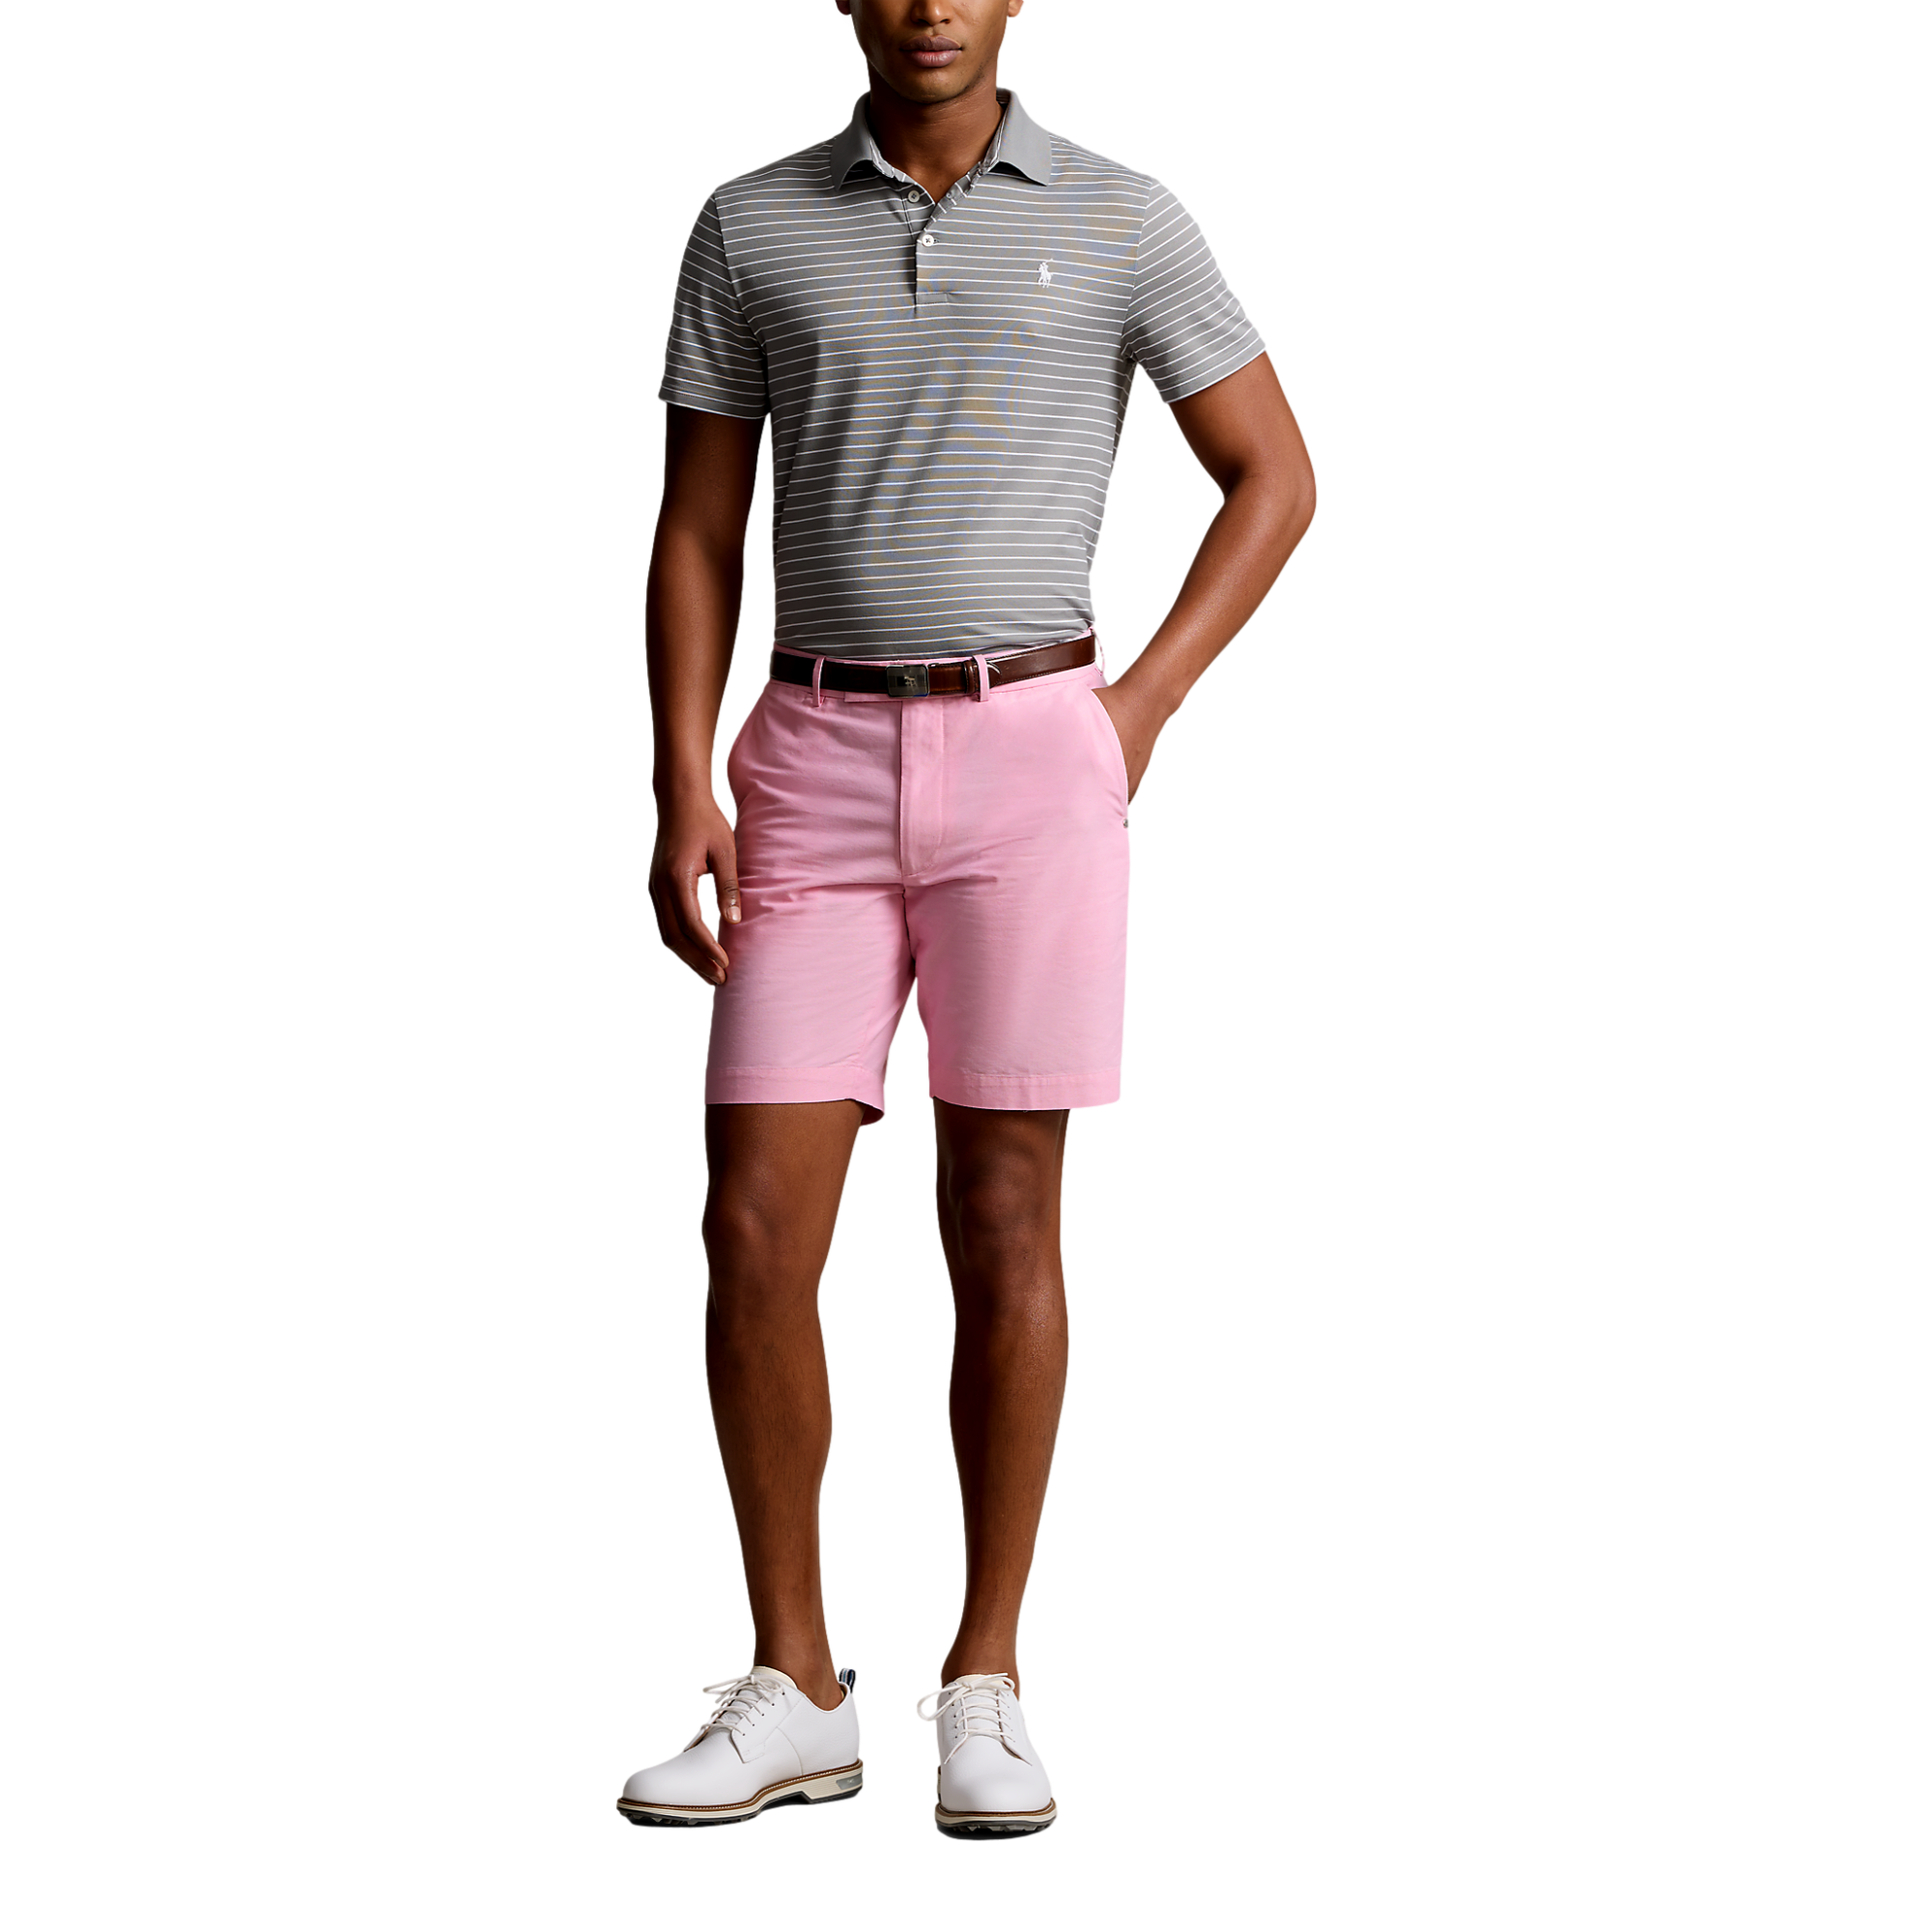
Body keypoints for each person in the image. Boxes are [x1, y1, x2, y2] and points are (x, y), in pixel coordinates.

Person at [624, 0, 1316, 1839]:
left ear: (1016, 0)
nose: (929, 4)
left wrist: (1139, 710)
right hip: (810, 756)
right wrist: (684, 781)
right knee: (752, 1230)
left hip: (1035, 753)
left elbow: (1277, 473)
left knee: (1004, 1215)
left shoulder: (1123, 212)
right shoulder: (749, 221)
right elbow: (698, 526)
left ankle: (987, 1678)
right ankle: (796, 1686)